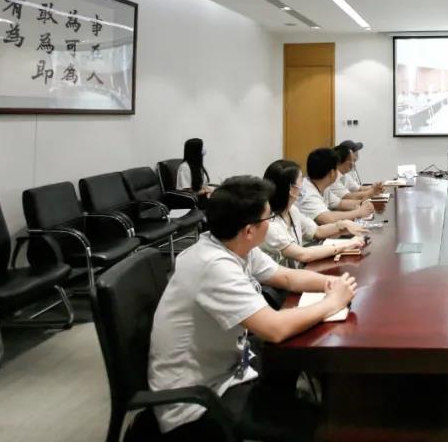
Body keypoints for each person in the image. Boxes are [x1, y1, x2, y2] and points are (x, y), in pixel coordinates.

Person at [148, 175, 357, 440]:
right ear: (249, 230)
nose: (271, 222)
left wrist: (333, 283)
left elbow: (286, 277)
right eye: (269, 217)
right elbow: (274, 329)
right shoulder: (214, 266)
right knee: (324, 424)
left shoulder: (233, 243)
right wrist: (331, 303)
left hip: (231, 368)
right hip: (198, 403)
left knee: (299, 369)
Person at [261, 159, 368, 267]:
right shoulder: (270, 224)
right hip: (283, 276)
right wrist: (346, 245)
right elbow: (303, 255)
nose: (303, 184)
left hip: (296, 271)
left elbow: (317, 231)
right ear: (291, 189)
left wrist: (342, 225)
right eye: (301, 180)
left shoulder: (292, 210)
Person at [296, 147, 374, 224]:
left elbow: (340, 203)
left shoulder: (321, 186)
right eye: (337, 168)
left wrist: (362, 204)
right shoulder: (308, 194)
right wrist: (358, 212)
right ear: (332, 173)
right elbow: (326, 218)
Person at [325, 144, 383, 209]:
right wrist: (372, 192)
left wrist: (374, 188)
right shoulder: (332, 178)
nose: (353, 164)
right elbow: (349, 197)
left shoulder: (345, 175)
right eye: (353, 160)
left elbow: (358, 189)